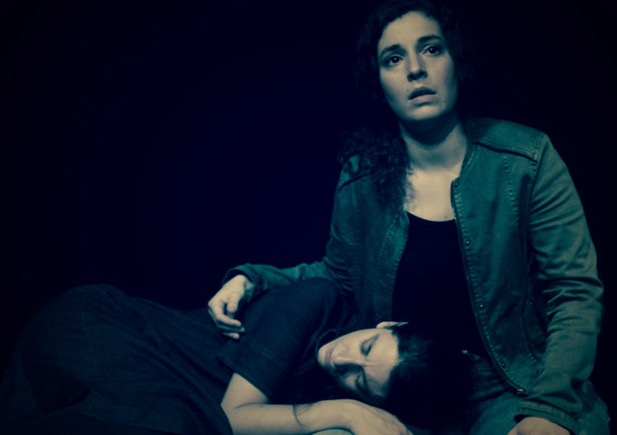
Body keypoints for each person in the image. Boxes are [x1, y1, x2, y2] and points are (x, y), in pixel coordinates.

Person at [207, 0, 610, 433]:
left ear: (457, 61)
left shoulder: (525, 159)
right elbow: (338, 276)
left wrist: (548, 408)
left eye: (432, 49)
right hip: (399, 393)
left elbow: (573, 292)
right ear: (378, 82)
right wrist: (251, 279)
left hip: (509, 385)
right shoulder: (363, 176)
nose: (416, 69)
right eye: (394, 59)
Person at [0, 278, 469, 435]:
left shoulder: (342, 383)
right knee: (179, 419)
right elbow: (232, 417)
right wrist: (348, 410)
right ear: (387, 325)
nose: (341, 360)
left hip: (161, 380)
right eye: (366, 347)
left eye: (359, 381)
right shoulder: (316, 301)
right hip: (106, 327)